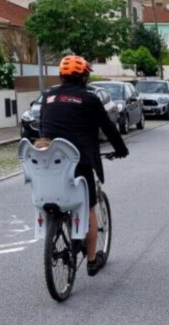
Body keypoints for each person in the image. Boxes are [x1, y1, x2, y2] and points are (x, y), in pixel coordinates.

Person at [39, 55, 129, 277]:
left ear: (61, 76)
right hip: (79, 164)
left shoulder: (47, 97)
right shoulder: (90, 99)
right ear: (84, 78)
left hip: (48, 165)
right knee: (88, 209)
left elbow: (43, 129)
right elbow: (108, 127)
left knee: (55, 199)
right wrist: (121, 149)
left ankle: (56, 230)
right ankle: (91, 260)